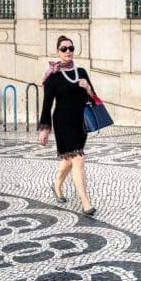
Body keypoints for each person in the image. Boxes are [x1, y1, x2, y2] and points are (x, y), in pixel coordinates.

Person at [38, 35, 98, 216]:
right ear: (58, 52)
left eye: (70, 48)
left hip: (80, 123)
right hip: (63, 123)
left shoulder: (81, 72)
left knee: (68, 160)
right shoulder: (53, 76)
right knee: (78, 159)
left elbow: (93, 97)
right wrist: (45, 129)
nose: (68, 52)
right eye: (64, 49)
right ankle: (85, 203)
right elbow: (47, 105)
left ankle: (56, 183)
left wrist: (87, 87)